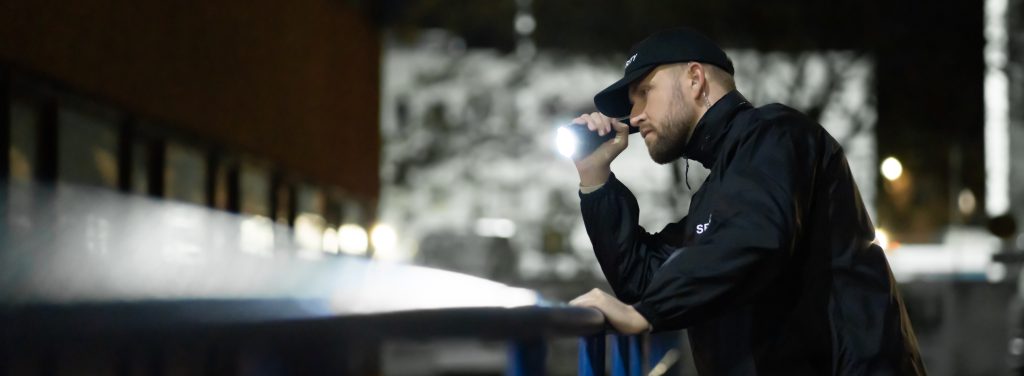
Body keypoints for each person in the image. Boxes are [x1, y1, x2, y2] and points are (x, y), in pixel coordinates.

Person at [566, 27, 926, 375]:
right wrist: (595, 179)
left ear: (695, 79)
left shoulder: (775, 134)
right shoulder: (720, 190)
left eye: (645, 91)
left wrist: (648, 314)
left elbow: (753, 235)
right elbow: (645, 280)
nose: (635, 115)